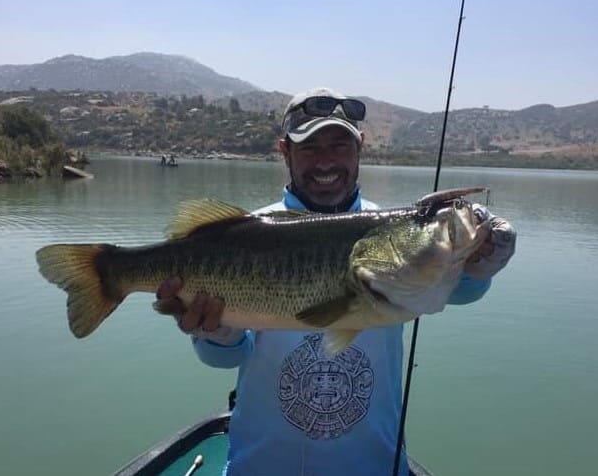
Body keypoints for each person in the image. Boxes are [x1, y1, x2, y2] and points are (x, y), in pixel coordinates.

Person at [154, 87, 516, 476]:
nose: (326, 161)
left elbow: (452, 289)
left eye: (340, 145)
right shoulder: (247, 230)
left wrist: (480, 265)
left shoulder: (390, 228)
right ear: (284, 152)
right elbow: (224, 357)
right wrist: (217, 334)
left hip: (372, 467)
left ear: (360, 147)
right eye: (309, 148)